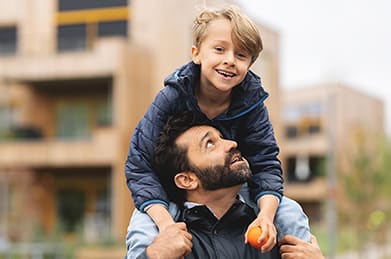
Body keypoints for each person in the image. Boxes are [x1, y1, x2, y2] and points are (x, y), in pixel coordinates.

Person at [125, 4, 310, 254]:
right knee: (143, 224)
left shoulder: (252, 105)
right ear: (197, 53)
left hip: (233, 183)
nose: (229, 60)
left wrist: (266, 216)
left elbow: (265, 163)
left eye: (241, 55)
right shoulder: (171, 97)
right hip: (170, 193)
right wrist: (166, 224)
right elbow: (139, 165)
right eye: (220, 49)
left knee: (288, 210)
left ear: (250, 64)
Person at [126, 112, 325, 259]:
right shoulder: (166, 242)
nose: (231, 143)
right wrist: (153, 256)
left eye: (221, 137)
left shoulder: (277, 226)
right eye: (210, 144)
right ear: (187, 179)